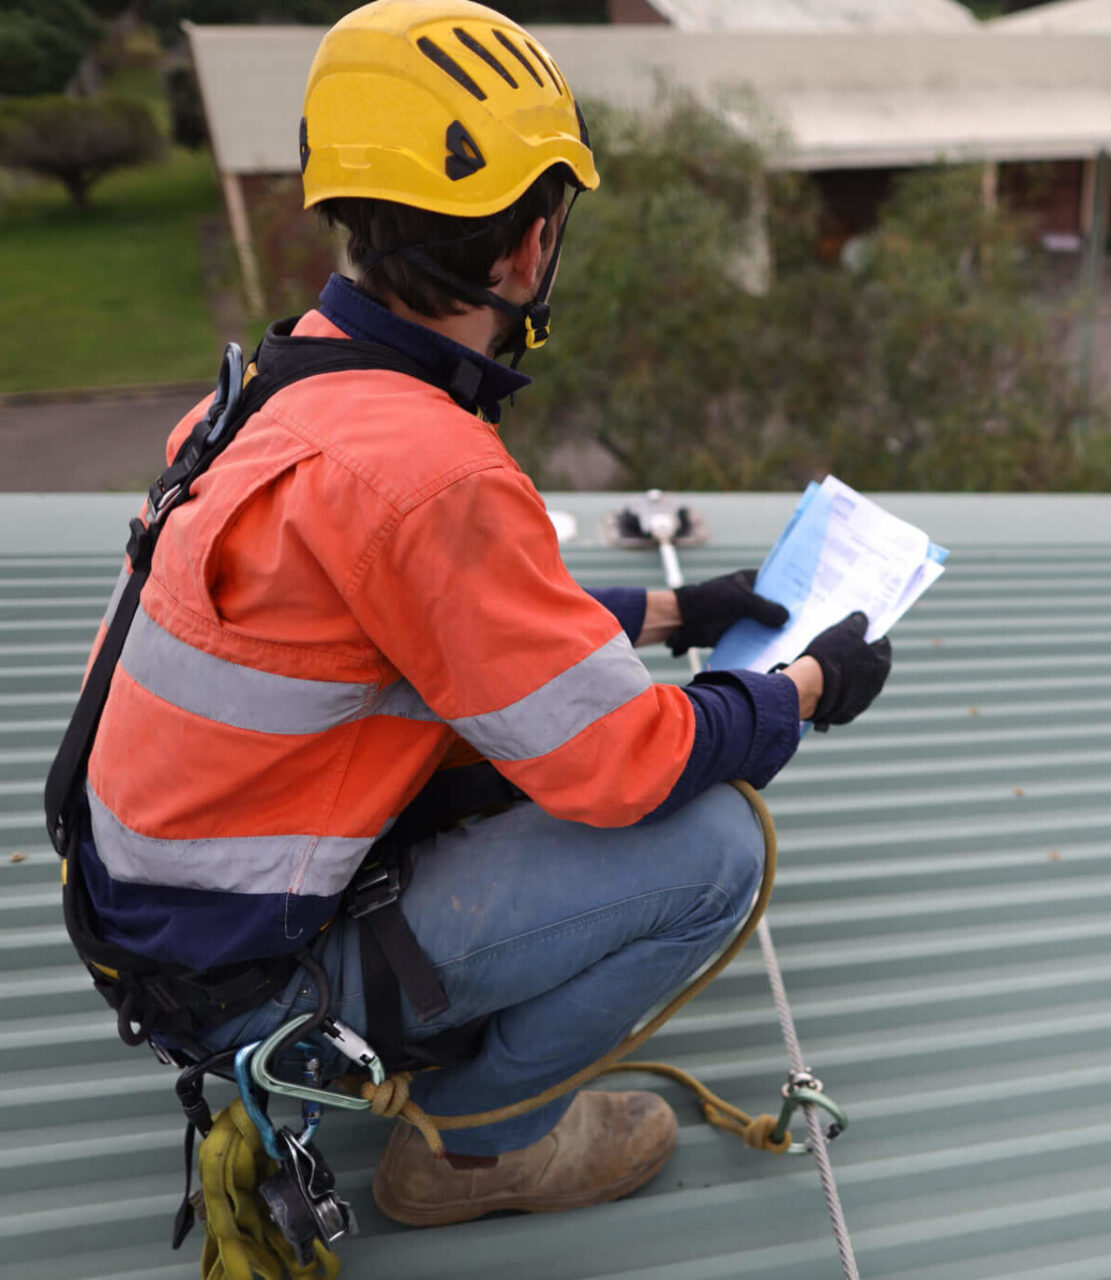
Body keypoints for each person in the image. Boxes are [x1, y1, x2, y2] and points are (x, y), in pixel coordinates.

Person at [69, 0, 891, 1229]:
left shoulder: (268, 395)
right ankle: (474, 1149)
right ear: (528, 246)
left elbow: (467, 632)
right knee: (719, 847)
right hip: (251, 982)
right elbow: (625, 761)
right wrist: (803, 690)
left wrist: (675, 610)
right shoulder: (429, 470)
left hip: (154, 938)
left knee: (519, 765)